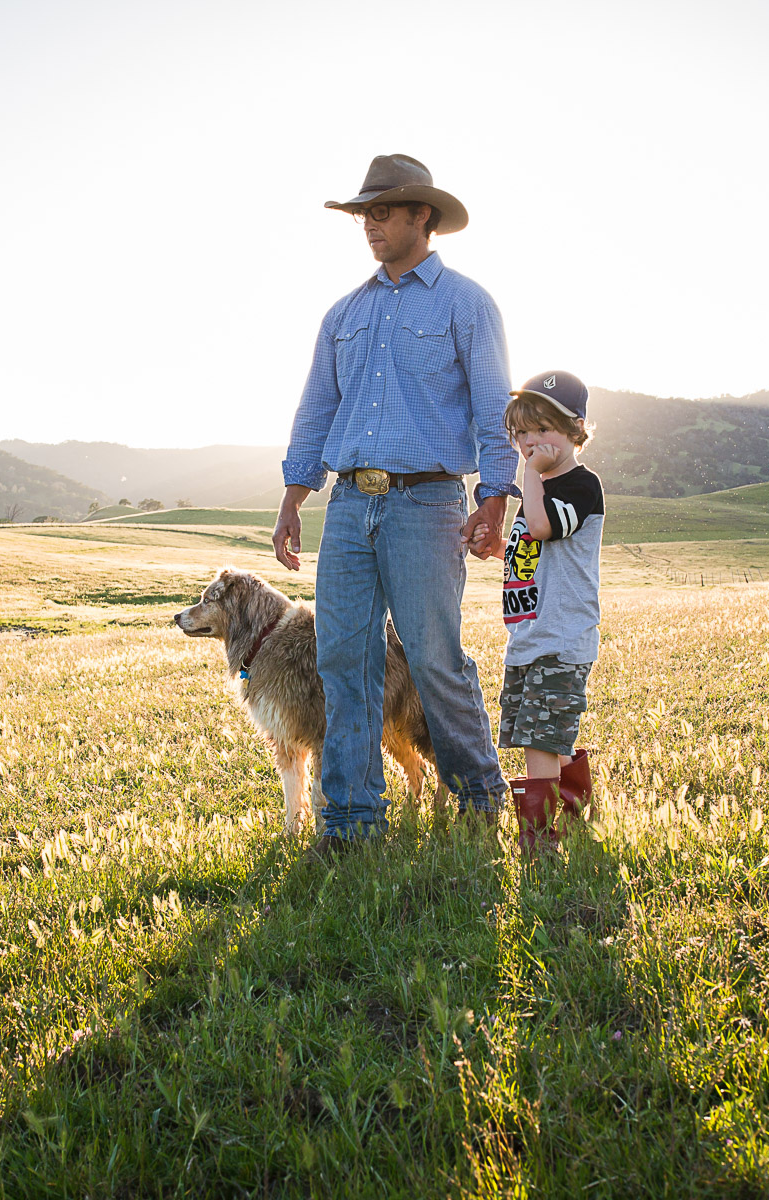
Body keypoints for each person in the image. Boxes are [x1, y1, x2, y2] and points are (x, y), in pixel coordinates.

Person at [273, 153, 520, 852]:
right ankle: (351, 821)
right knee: (342, 661)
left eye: (383, 212)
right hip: (349, 508)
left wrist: (494, 499)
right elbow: (316, 411)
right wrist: (294, 498)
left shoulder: (466, 304)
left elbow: (492, 406)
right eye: (364, 214)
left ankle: (479, 800)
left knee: (436, 659)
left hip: (428, 504)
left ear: (423, 217)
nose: (370, 225)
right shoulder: (343, 314)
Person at [496, 371, 604, 851]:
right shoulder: (540, 493)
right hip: (530, 636)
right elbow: (531, 551)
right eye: (522, 433)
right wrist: (496, 547)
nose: (530, 442)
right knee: (542, 731)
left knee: (539, 738)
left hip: (561, 638)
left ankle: (538, 841)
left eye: (543, 429)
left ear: (576, 428)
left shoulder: (581, 486)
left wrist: (527, 476)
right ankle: (580, 811)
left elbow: (541, 527)